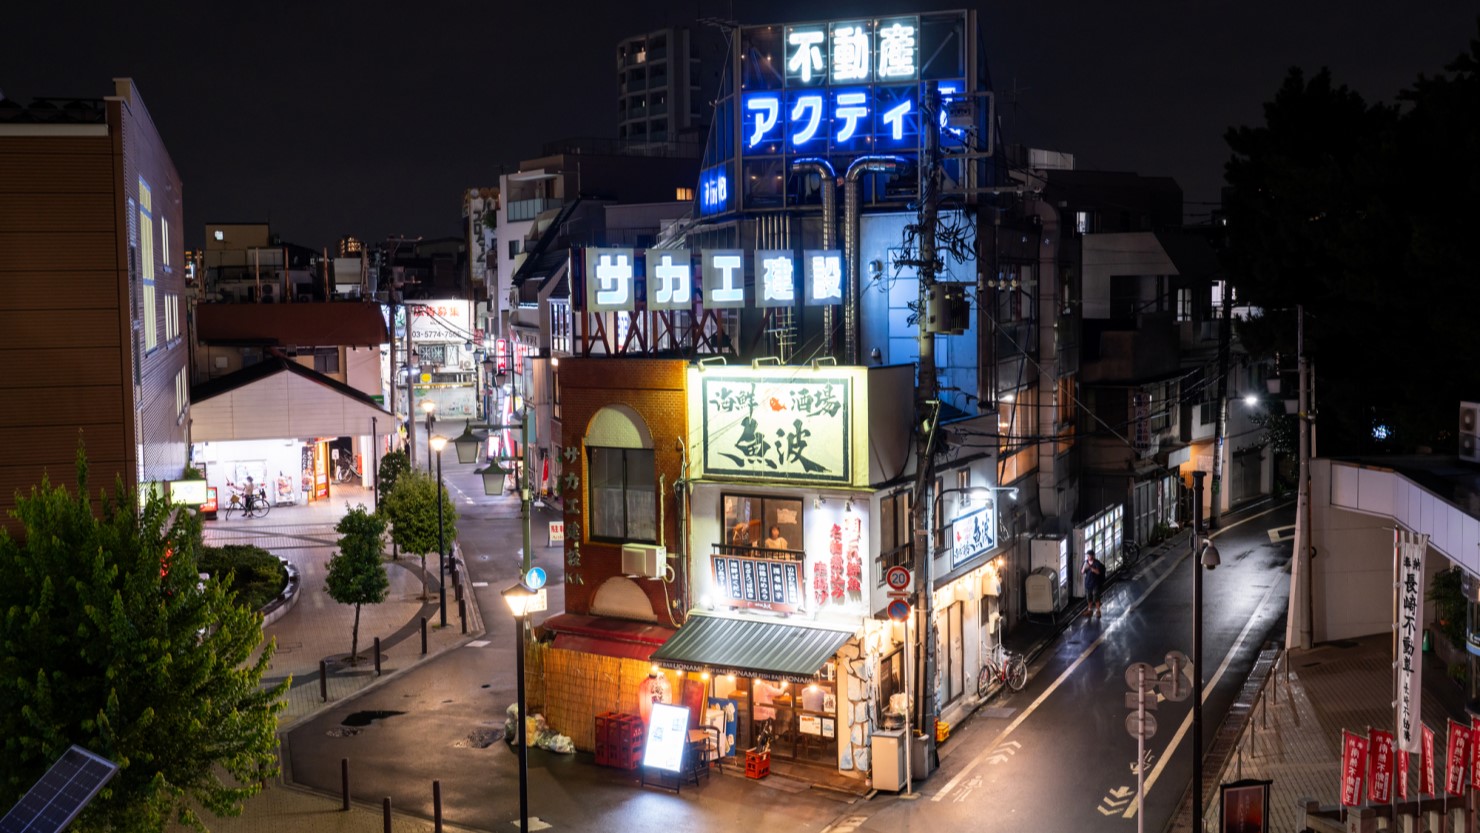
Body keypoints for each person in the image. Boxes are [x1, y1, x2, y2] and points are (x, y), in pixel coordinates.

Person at [1083, 548, 1106, 617]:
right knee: (1089, 597)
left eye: (1089, 556)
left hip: (1096, 583)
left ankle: (1098, 611)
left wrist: (1091, 568)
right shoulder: (1085, 562)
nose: (1088, 557)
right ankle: (1089, 610)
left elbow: (1098, 572)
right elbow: (1082, 571)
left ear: (1093, 556)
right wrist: (1084, 568)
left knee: (1096, 597)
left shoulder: (1097, 563)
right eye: (1087, 556)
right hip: (1088, 583)